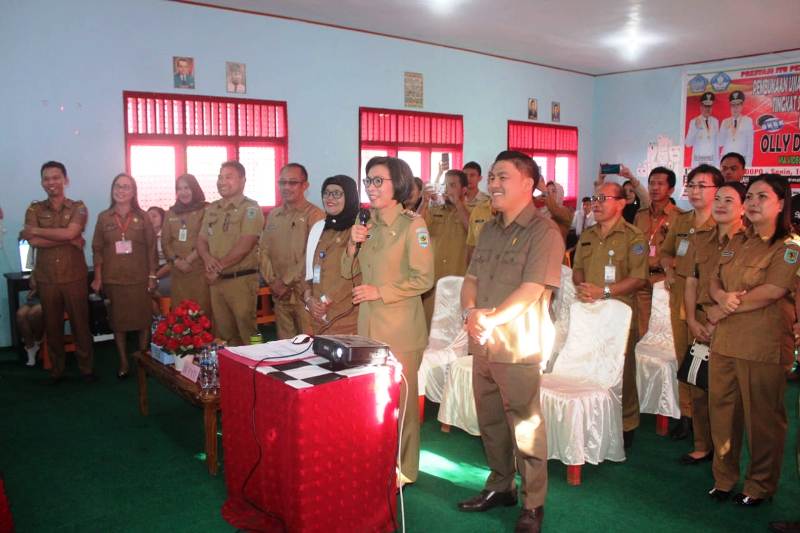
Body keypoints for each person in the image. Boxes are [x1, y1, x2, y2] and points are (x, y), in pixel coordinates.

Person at [457, 151, 563, 533]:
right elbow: (470, 278)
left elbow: (533, 289)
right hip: (483, 341)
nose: (493, 183)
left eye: (502, 176)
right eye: (491, 176)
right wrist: (471, 314)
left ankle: (534, 503)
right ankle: (500, 485)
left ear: (527, 184)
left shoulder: (544, 232)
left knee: (526, 425)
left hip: (517, 344)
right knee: (490, 420)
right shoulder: (488, 227)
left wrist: (489, 319)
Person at [706, 174, 798, 506]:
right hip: (726, 344)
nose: (754, 202)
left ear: (781, 203)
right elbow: (714, 280)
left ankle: (758, 485)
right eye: (751, 197)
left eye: (763, 197)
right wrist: (719, 299)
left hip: (763, 346)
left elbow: (772, 291)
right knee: (723, 414)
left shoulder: (789, 247)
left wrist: (723, 309)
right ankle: (725, 478)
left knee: (763, 421)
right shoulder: (737, 240)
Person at [343, 156, 433, 487]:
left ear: (399, 184)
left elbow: (424, 279)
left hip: (401, 331)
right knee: (374, 401)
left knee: (403, 405)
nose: (371, 186)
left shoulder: (413, 226)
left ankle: (404, 470)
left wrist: (380, 291)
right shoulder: (367, 223)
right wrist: (352, 243)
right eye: (368, 180)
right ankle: (378, 459)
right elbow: (345, 272)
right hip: (368, 327)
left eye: (378, 180)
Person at [573, 182, 648, 448]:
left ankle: (626, 423)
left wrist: (603, 292)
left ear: (621, 203)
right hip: (589, 311)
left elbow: (638, 278)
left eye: (603, 198)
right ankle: (593, 419)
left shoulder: (634, 237)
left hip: (619, 314)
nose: (597, 202)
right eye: (595, 197)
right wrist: (584, 289)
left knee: (621, 371)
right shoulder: (588, 234)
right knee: (589, 365)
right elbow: (578, 268)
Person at [683, 182, 746, 465]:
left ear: (743, 207)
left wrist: (714, 320)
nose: (720, 204)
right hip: (700, 322)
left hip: (731, 323)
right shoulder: (700, 238)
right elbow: (691, 281)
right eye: (718, 198)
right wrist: (693, 320)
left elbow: (745, 292)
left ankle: (726, 453)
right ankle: (701, 444)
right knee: (698, 386)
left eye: (729, 200)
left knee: (726, 396)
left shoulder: (748, 241)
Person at [660, 164, 724, 440]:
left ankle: (710, 422)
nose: (695, 191)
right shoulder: (681, 220)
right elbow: (665, 253)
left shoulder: (722, 224)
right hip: (679, 296)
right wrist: (670, 270)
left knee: (708, 359)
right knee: (683, 355)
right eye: (692, 185)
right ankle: (687, 415)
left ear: (717, 191)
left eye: (702, 185)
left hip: (707, 301)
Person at [22, 161, 95, 384]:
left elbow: (71, 231)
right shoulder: (34, 209)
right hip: (47, 278)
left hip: (74, 276)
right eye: (47, 178)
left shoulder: (78, 207)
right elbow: (32, 240)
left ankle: (86, 369)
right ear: (42, 182)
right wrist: (67, 238)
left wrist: (37, 231)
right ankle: (57, 370)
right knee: (52, 326)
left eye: (56, 177)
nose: (51, 182)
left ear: (66, 180)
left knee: (81, 325)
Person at [91, 173, 157, 378]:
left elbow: (151, 248)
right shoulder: (103, 217)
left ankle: (143, 361)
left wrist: (153, 276)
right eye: (117, 186)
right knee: (118, 323)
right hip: (114, 279)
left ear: (133, 192)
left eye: (126, 187)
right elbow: (97, 249)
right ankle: (123, 362)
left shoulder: (143, 216)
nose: (121, 190)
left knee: (143, 322)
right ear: (112, 190)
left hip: (139, 279)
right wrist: (98, 277)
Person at [197, 161, 263, 346]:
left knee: (248, 331)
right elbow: (201, 239)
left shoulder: (250, 208)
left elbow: (246, 244)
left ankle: (257, 368)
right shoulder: (212, 208)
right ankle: (230, 371)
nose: (222, 181)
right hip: (216, 281)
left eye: (228, 177)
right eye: (220, 176)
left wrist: (218, 267)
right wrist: (207, 259)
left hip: (240, 280)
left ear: (242, 180)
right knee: (223, 334)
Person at [260, 163, 324, 340]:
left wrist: (286, 281)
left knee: (308, 345)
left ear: (305, 185)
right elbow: (263, 250)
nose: (286, 187)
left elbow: (312, 254)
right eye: (282, 182)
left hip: (304, 295)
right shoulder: (273, 215)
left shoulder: (316, 215)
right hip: (279, 295)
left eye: (293, 182)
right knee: (284, 346)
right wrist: (273, 282)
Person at [303, 175, 360, 335]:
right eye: (326, 193)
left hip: (345, 317)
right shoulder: (319, 227)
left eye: (337, 193)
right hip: (318, 315)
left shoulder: (358, 229)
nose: (330, 198)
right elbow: (308, 270)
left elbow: (355, 275)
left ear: (349, 196)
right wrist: (309, 300)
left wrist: (323, 301)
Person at [634, 166, 681, 337]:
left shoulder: (680, 217)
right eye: (651, 183)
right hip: (641, 279)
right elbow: (635, 246)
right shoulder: (640, 215)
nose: (654, 188)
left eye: (660, 184)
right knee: (642, 329)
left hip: (664, 281)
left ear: (671, 189)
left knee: (665, 331)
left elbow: (683, 253)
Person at [422, 169, 470, 326]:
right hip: (433, 286)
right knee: (429, 331)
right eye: (445, 185)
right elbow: (416, 229)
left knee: (454, 335)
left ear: (463, 190)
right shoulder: (434, 210)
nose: (447, 189)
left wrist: (458, 204)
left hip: (457, 285)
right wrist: (424, 202)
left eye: (452, 185)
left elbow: (473, 232)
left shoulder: (473, 212)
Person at [161, 174, 210, 316]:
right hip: (178, 272)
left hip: (199, 270)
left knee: (202, 313)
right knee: (181, 314)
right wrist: (176, 261)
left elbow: (206, 238)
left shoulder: (206, 209)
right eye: (179, 189)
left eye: (187, 188)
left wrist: (188, 260)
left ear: (194, 188)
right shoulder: (170, 213)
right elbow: (165, 242)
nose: (183, 192)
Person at [718, 91, 754, 166]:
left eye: (738, 105)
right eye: (733, 105)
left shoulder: (747, 121)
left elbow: (750, 145)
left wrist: (748, 165)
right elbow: (720, 143)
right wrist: (724, 129)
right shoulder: (725, 122)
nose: (735, 108)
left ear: (742, 106)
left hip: (741, 161)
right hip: (726, 162)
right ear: (730, 106)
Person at [685, 92, 720, 168]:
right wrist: (695, 128)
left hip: (712, 163)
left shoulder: (715, 121)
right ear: (701, 107)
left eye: (710, 106)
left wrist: (717, 166)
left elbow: (716, 145)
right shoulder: (694, 121)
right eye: (705, 106)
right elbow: (688, 144)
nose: (708, 109)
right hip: (698, 163)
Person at [147, 206, 171, 313]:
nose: (151, 219)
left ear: (163, 218)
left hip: (167, 272)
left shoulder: (167, 235)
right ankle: (158, 321)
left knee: (153, 290)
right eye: (148, 217)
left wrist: (154, 277)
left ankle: (163, 319)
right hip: (150, 272)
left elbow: (171, 263)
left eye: (154, 216)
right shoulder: (144, 236)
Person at [16, 279, 43, 367]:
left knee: (33, 313)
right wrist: (35, 288)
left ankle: (37, 340)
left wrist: (36, 290)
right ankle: (30, 347)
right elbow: (32, 284)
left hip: (49, 298)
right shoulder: (36, 267)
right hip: (34, 299)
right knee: (20, 315)